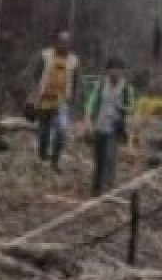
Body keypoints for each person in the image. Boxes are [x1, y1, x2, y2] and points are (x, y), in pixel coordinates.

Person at [27, 31, 80, 171]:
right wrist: (32, 98)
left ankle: (55, 161)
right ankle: (43, 155)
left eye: (67, 42)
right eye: (61, 41)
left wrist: (74, 101)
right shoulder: (45, 56)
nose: (64, 45)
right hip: (43, 99)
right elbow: (35, 77)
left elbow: (76, 82)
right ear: (56, 42)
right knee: (43, 133)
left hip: (62, 101)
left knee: (62, 130)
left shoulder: (74, 61)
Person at [83, 55, 135, 195]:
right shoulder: (100, 85)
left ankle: (108, 189)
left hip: (114, 128)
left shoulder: (127, 89)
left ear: (123, 71)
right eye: (113, 70)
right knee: (99, 159)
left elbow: (131, 110)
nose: (115, 73)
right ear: (108, 70)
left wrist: (130, 137)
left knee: (110, 157)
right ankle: (96, 188)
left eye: (119, 70)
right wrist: (87, 121)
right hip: (99, 126)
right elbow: (90, 103)